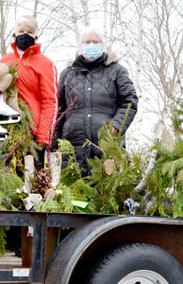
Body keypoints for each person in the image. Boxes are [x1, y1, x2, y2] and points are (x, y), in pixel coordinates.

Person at [55, 27, 139, 174]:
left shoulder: (117, 71)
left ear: (103, 45)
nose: (91, 45)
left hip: (106, 147)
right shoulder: (67, 74)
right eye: (87, 42)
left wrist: (117, 126)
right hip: (73, 149)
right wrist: (55, 142)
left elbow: (129, 101)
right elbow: (58, 109)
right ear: (81, 45)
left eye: (96, 42)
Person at [0, 15, 58, 158]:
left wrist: (43, 136)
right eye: (21, 31)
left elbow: (50, 101)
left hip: (31, 132)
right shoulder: (4, 61)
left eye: (29, 32)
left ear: (36, 36)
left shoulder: (45, 64)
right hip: (5, 128)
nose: (25, 35)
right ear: (14, 34)